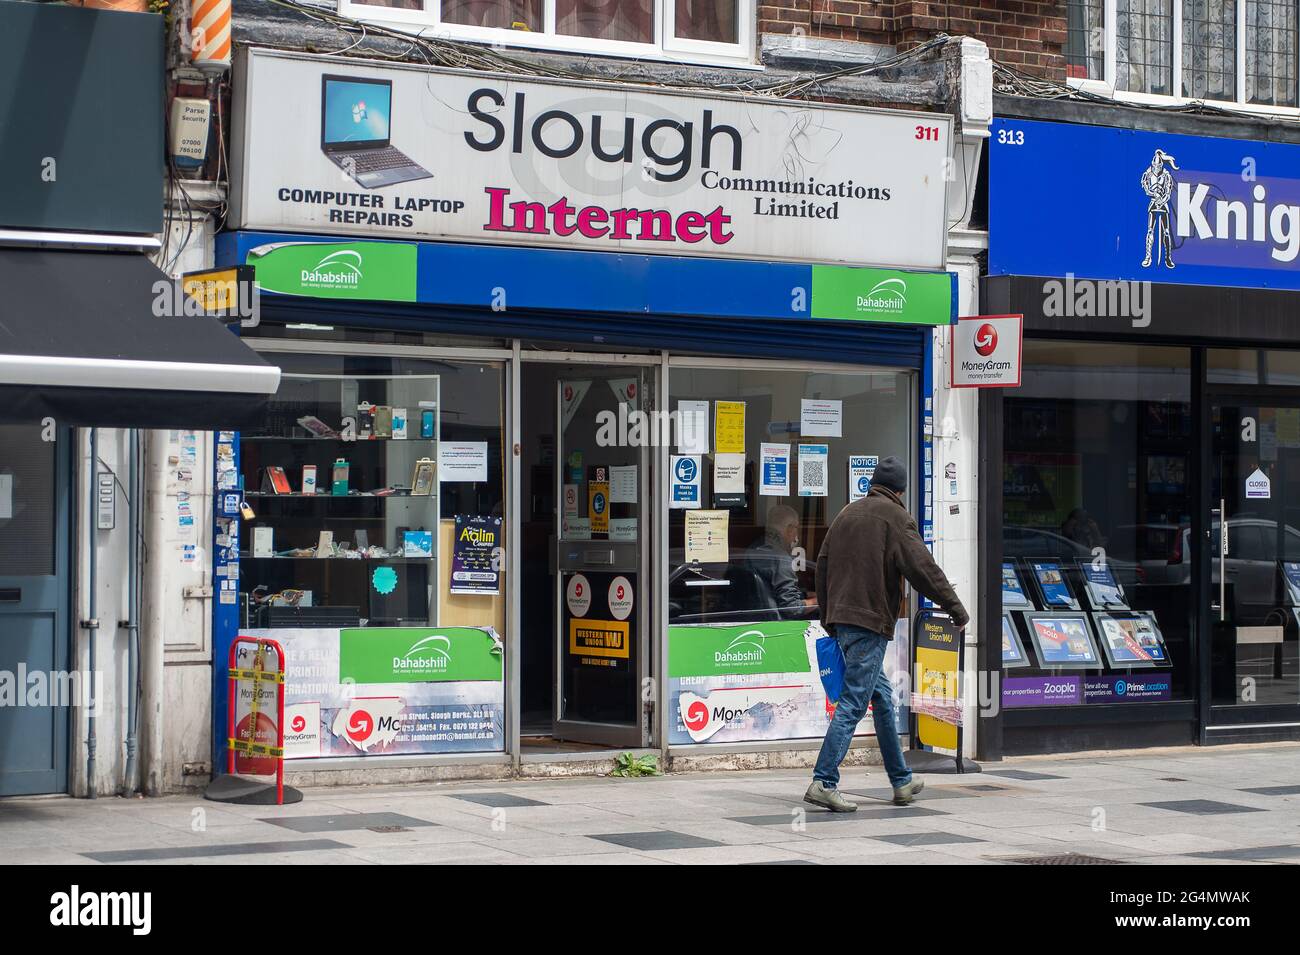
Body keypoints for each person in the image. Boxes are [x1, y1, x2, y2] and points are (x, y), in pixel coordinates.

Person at [805, 456, 969, 812]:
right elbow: (923, 568)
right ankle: (824, 780)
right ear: (901, 490)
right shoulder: (896, 518)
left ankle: (902, 780)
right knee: (853, 701)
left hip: (844, 621)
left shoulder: (846, 514)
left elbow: (823, 563)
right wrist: (955, 608)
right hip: (868, 622)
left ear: (873, 483)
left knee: (882, 698)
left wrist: (829, 615)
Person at [744, 504, 816, 615]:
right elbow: (792, 608)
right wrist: (818, 601)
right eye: (797, 528)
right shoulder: (780, 559)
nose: (797, 534)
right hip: (779, 624)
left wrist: (806, 595)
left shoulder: (753, 549)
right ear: (790, 529)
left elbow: (774, 591)